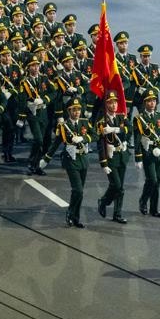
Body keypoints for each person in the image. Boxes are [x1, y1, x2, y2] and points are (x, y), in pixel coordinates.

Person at [95, 90, 131, 224]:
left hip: (122, 155)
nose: (114, 105)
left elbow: (129, 130)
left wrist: (115, 129)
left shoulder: (121, 117)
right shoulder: (102, 123)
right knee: (116, 184)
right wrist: (103, 162)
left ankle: (117, 214)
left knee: (120, 187)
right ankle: (103, 201)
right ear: (106, 105)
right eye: (110, 103)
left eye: (115, 102)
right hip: (111, 157)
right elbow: (100, 144)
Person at [57, 97, 92, 228]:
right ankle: (70, 212)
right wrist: (46, 158)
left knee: (79, 190)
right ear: (69, 111)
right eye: (74, 110)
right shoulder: (64, 126)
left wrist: (83, 138)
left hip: (83, 160)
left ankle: (76, 218)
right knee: (78, 190)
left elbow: (95, 135)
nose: (77, 112)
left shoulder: (85, 122)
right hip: (71, 160)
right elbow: (56, 143)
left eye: (78, 109)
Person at [134, 90, 160, 217]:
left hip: (159, 154)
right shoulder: (139, 119)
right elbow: (137, 139)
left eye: (153, 100)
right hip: (147, 153)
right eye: (149, 101)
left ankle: (154, 209)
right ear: (144, 103)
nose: (152, 103)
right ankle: (143, 200)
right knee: (152, 180)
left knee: (157, 181)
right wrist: (138, 158)